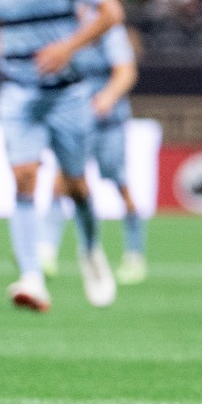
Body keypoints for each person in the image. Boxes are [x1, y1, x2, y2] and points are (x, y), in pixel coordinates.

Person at [0, 0, 123, 312]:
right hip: (18, 93)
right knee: (24, 177)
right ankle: (32, 278)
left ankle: (91, 251)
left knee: (75, 185)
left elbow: (111, 12)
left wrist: (68, 48)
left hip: (68, 95)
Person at [41, 16, 149, 285]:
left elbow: (126, 73)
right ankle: (46, 251)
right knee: (60, 184)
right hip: (76, 123)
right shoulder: (69, 34)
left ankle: (134, 254)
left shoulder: (112, 35)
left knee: (120, 185)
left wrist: (107, 97)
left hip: (108, 125)